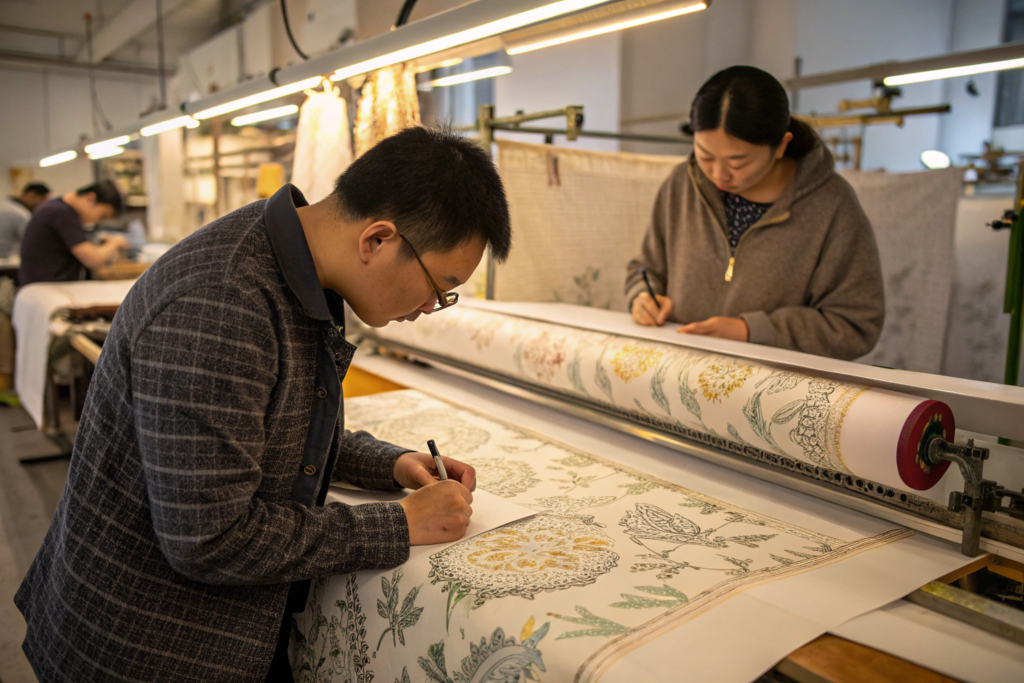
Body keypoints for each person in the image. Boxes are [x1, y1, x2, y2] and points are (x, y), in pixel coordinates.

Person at [15, 126, 512, 682]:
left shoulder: (289, 263)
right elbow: (210, 538)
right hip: (141, 648)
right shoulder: (221, 303)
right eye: (439, 287)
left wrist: (390, 464)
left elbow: (266, 431)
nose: (429, 307)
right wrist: (398, 523)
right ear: (377, 240)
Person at [626, 66, 884, 360]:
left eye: (738, 162)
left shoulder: (831, 206)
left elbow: (855, 325)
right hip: (676, 370)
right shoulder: (682, 183)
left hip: (766, 383)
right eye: (705, 155)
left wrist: (752, 331)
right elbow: (645, 268)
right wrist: (642, 297)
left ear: (781, 146)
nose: (718, 174)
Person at [18, 180, 129, 285]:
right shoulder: (61, 213)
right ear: (90, 198)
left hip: (47, 286)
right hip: (46, 288)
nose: (97, 221)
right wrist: (114, 242)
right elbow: (92, 259)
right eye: (102, 216)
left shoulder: (57, 208)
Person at [0, 182, 50, 259]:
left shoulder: (3, 205)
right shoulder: (21, 214)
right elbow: (33, 243)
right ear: (31, 195)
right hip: (6, 261)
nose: (42, 205)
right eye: (42, 200)